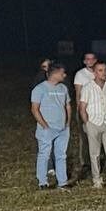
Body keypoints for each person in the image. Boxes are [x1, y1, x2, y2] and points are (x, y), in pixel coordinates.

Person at [30, 62, 72, 190]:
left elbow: (68, 105)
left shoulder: (63, 88)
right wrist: (44, 125)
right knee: (44, 154)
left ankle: (62, 182)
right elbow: (34, 109)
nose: (64, 75)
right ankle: (42, 182)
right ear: (55, 73)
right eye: (62, 73)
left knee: (61, 155)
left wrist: (68, 122)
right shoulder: (39, 89)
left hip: (63, 128)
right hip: (47, 128)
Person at [73, 51, 98, 178]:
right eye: (87, 59)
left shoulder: (99, 71)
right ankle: (85, 163)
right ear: (84, 61)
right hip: (85, 109)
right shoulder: (80, 74)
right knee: (85, 137)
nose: (90, 61)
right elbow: (78, 94)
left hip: (98, 110)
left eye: (92, 59)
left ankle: (97, 161)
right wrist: (80, 110)